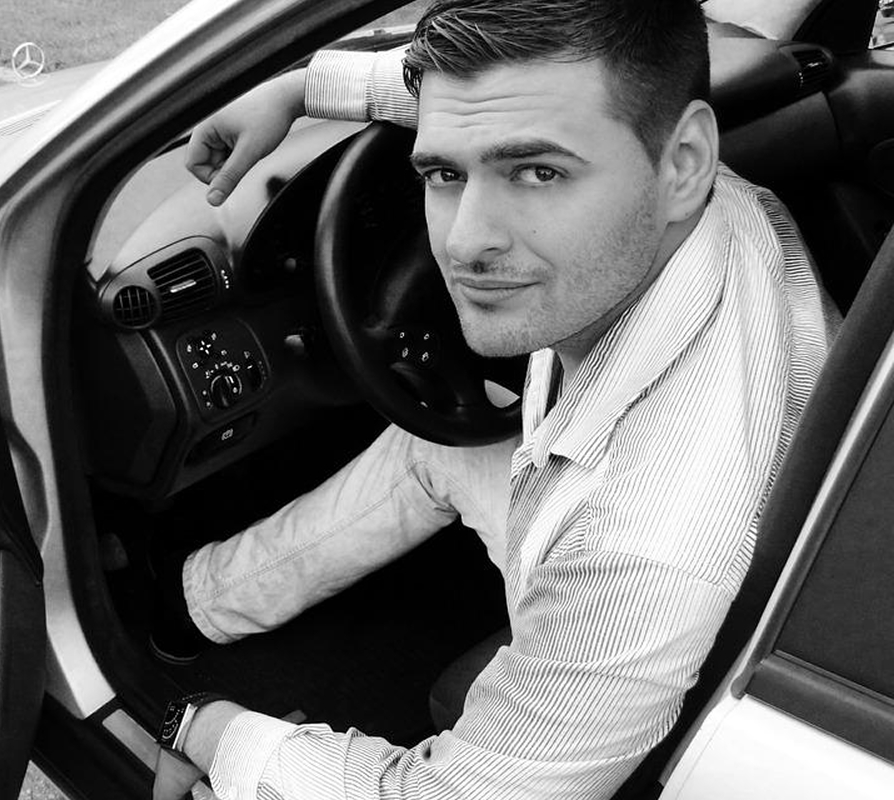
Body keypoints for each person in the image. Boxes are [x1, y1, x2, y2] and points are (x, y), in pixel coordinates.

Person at [152, 1, 837, 798]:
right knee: (440, 440)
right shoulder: (693, 182)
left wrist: (203, 726)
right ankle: (197, 602)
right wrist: (301, 88)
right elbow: (495, 106)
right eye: (443, 173)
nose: (465, 241)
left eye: (537, 174)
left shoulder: (638, 545)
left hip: (658, 627)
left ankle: (179, 637)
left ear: (684, 159)